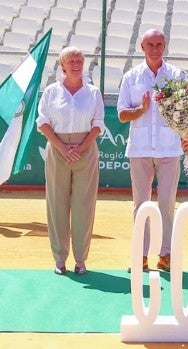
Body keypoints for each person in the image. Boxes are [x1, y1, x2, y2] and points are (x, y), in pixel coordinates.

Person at [118, 28, 183, 272]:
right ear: (141, 47)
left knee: (167, 202)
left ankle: (166, 255)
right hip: (140, 149)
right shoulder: (131, 77)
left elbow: (186, 113)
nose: (155, 48)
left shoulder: (177, 75)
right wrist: (141, 110)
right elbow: (123, 114)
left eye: (159, 44)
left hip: (169, 148)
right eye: (150, 44)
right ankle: (140, 255)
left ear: (165, 46)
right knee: (141, 204)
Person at [37, 46, 105, 275]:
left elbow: (98, 125)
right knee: (56, 203)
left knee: (84, 205)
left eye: (79, 59)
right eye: (71, 60)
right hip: (57, 149)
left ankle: (81, 260)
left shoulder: (93, 93)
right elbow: (43, 122)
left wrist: (80, 148)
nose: (76, 64)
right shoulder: (51, 92)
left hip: (86, 149)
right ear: (62, 65)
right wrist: (63, 147)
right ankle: (59, 259)